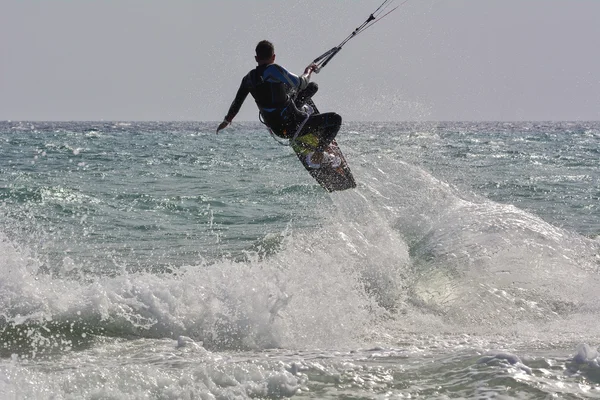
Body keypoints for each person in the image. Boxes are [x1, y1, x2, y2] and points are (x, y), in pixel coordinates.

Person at [216, 40, 342, 167]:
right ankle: (318, 153)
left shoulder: (248, 78)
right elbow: (301, 82)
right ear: (273, 57)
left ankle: (301, 111)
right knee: (336, 119)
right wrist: (308, 70)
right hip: (294, 124)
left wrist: (226, 121)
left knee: (312, 87)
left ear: (256, 58)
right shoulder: (273, 70)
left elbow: (236, 104)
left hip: (277, 129)